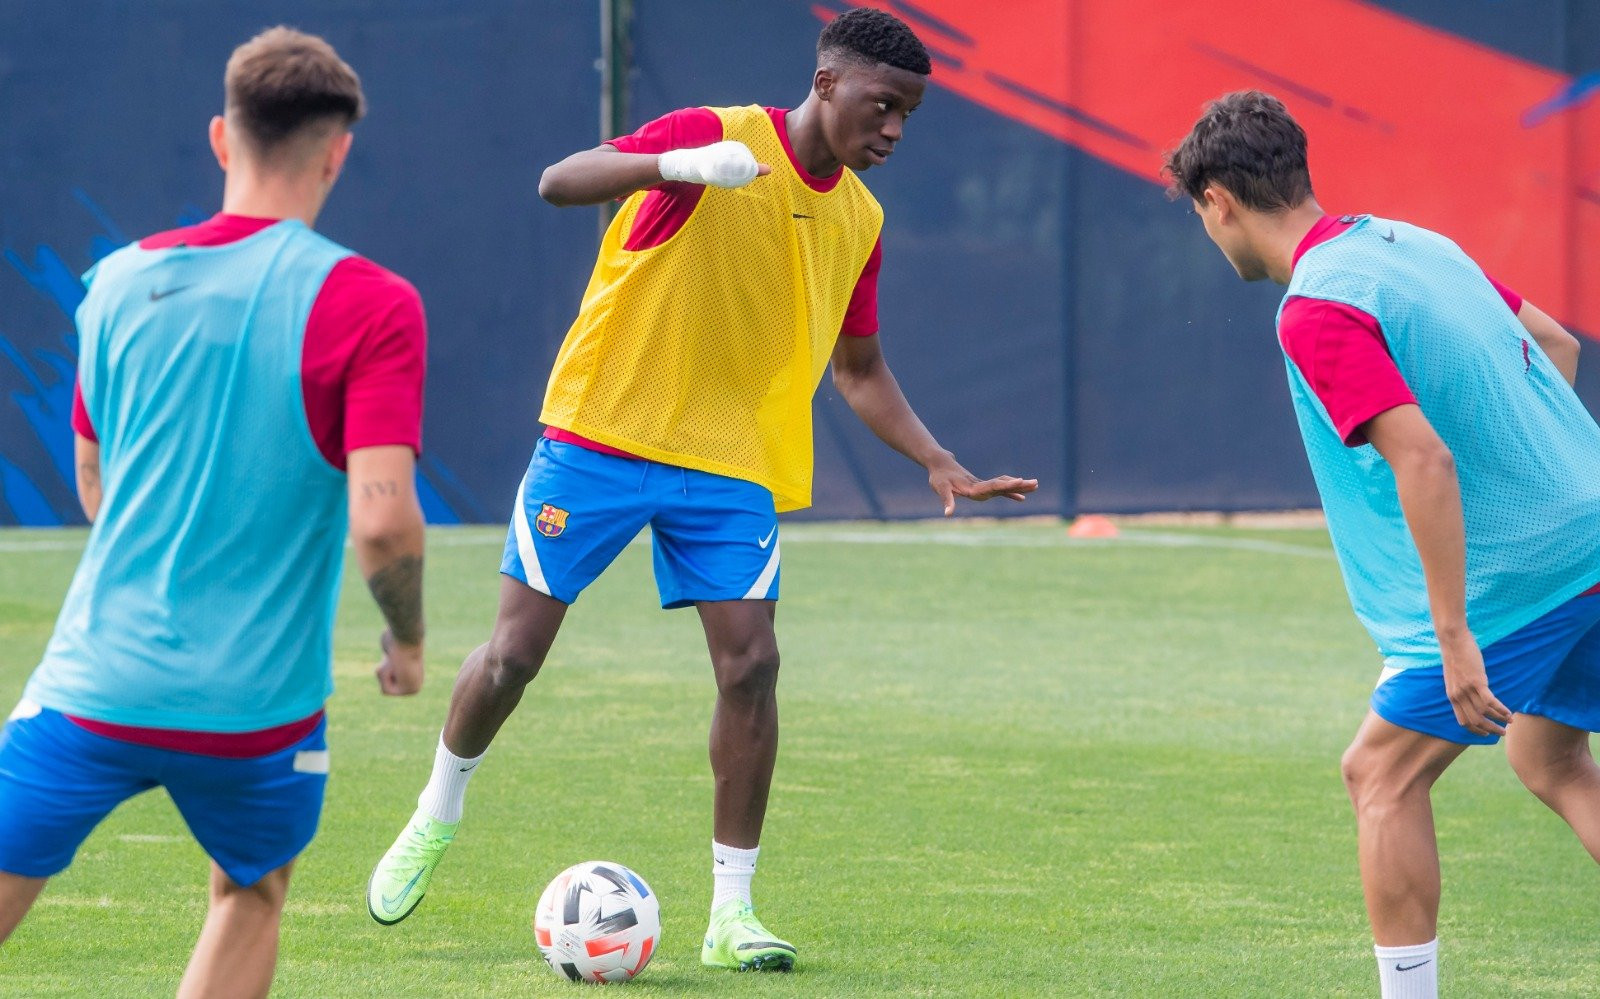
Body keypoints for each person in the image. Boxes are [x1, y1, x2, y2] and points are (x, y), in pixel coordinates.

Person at [367, 6, 1035, 972]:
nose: (893, 130)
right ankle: (438, 808)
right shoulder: (712, 135)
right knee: (514, 655)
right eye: (883, 107)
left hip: (728, 466)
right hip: (601, 435)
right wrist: (678, 166)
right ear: (827, 84)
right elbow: (560, 181)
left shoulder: (860, 218)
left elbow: (859, 369)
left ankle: (732, 911)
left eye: (908, 117)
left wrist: (937, 460)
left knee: (752, 665)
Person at [0, 27, 430, 996]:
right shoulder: (371, 304)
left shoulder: (113, 285)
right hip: (257, 713)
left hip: (94, 684)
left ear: (220, 139)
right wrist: (406, 640)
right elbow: (384, 522)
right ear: (338, 150)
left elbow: (93, 478)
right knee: (250, 894)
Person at [1166, 90, 1600, 999]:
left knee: (1380, 775)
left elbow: (1427, 461)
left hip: (1517, 584)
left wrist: (1455, 634)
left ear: (1218, 201)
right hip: (1590, 532)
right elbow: (1555, 344)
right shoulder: (1415, 244)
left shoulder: (1316, 306)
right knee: (1550, 757)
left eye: (1202, 217)